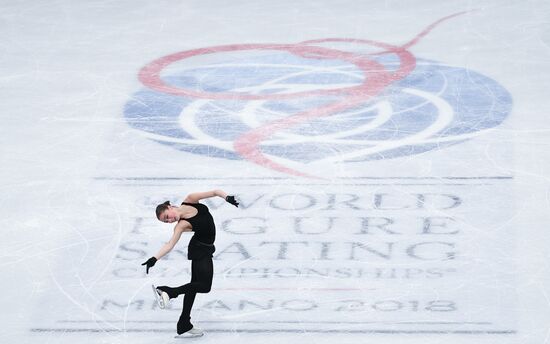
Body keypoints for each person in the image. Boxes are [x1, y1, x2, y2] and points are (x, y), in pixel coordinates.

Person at [141, 190, 239, 338]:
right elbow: (169, 244)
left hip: (202, 248)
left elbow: (214, 192)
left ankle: (184, 323)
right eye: (166, 221)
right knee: (204, 287)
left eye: (167, 217)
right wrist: (154, 259)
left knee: (194, 285)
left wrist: (227, 197)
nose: (170, 220)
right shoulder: (181, 226)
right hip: (200, 250)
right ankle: (169, 292)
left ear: (171, 206)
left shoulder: (190, 199)